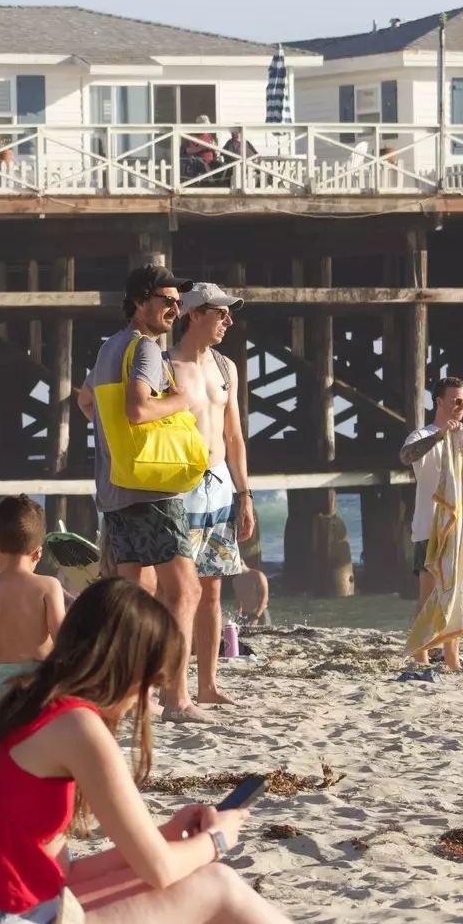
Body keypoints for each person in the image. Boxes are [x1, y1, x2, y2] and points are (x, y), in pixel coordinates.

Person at [0, 578, 450, 924]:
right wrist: (216, 840)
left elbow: (62, 880)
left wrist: (163, 838)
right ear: (127, 665)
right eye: (152, 678)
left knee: (199, 877)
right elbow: (163, 873)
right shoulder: (76, 727)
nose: (148, 693)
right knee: (212, 882)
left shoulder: (15, 713)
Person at [87, 265, 206, 721]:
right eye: (167, 300)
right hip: (151, 487)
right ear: (141, 302)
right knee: (187, 590)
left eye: (179, 302)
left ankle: (135, 694)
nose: (176, 308)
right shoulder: (145, 350)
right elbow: (138, 410)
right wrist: (183, 401)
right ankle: (177, 696)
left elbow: (86, 404)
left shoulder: (107, 350)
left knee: (138, 593)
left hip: (115, 485)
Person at [169, 282, 256, 705]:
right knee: (178, 592)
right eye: (220, 313)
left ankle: (208, 685)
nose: (228, 321)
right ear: (195, 314)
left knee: (213, 591)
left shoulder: (225, 367)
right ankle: (174, 684)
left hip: (220, 486)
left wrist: (246, 494)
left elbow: (235, 435)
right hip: (179, 488)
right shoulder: (166, 365)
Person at [399, 376, 463, 670]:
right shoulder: (422, 434)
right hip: (428, 527)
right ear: (439, 402)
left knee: (454, 594)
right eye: (456, 401)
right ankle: (422, 654)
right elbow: (406, 456)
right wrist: (439, 438)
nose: (461, 406)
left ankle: (452, 658)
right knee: (429, 594)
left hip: (460, 532)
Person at [0, 496, 65, 717]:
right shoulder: (49, 587)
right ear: (38, 552)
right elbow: (63, 638)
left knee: (3, 746)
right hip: (40, 684)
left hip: (1, 688)